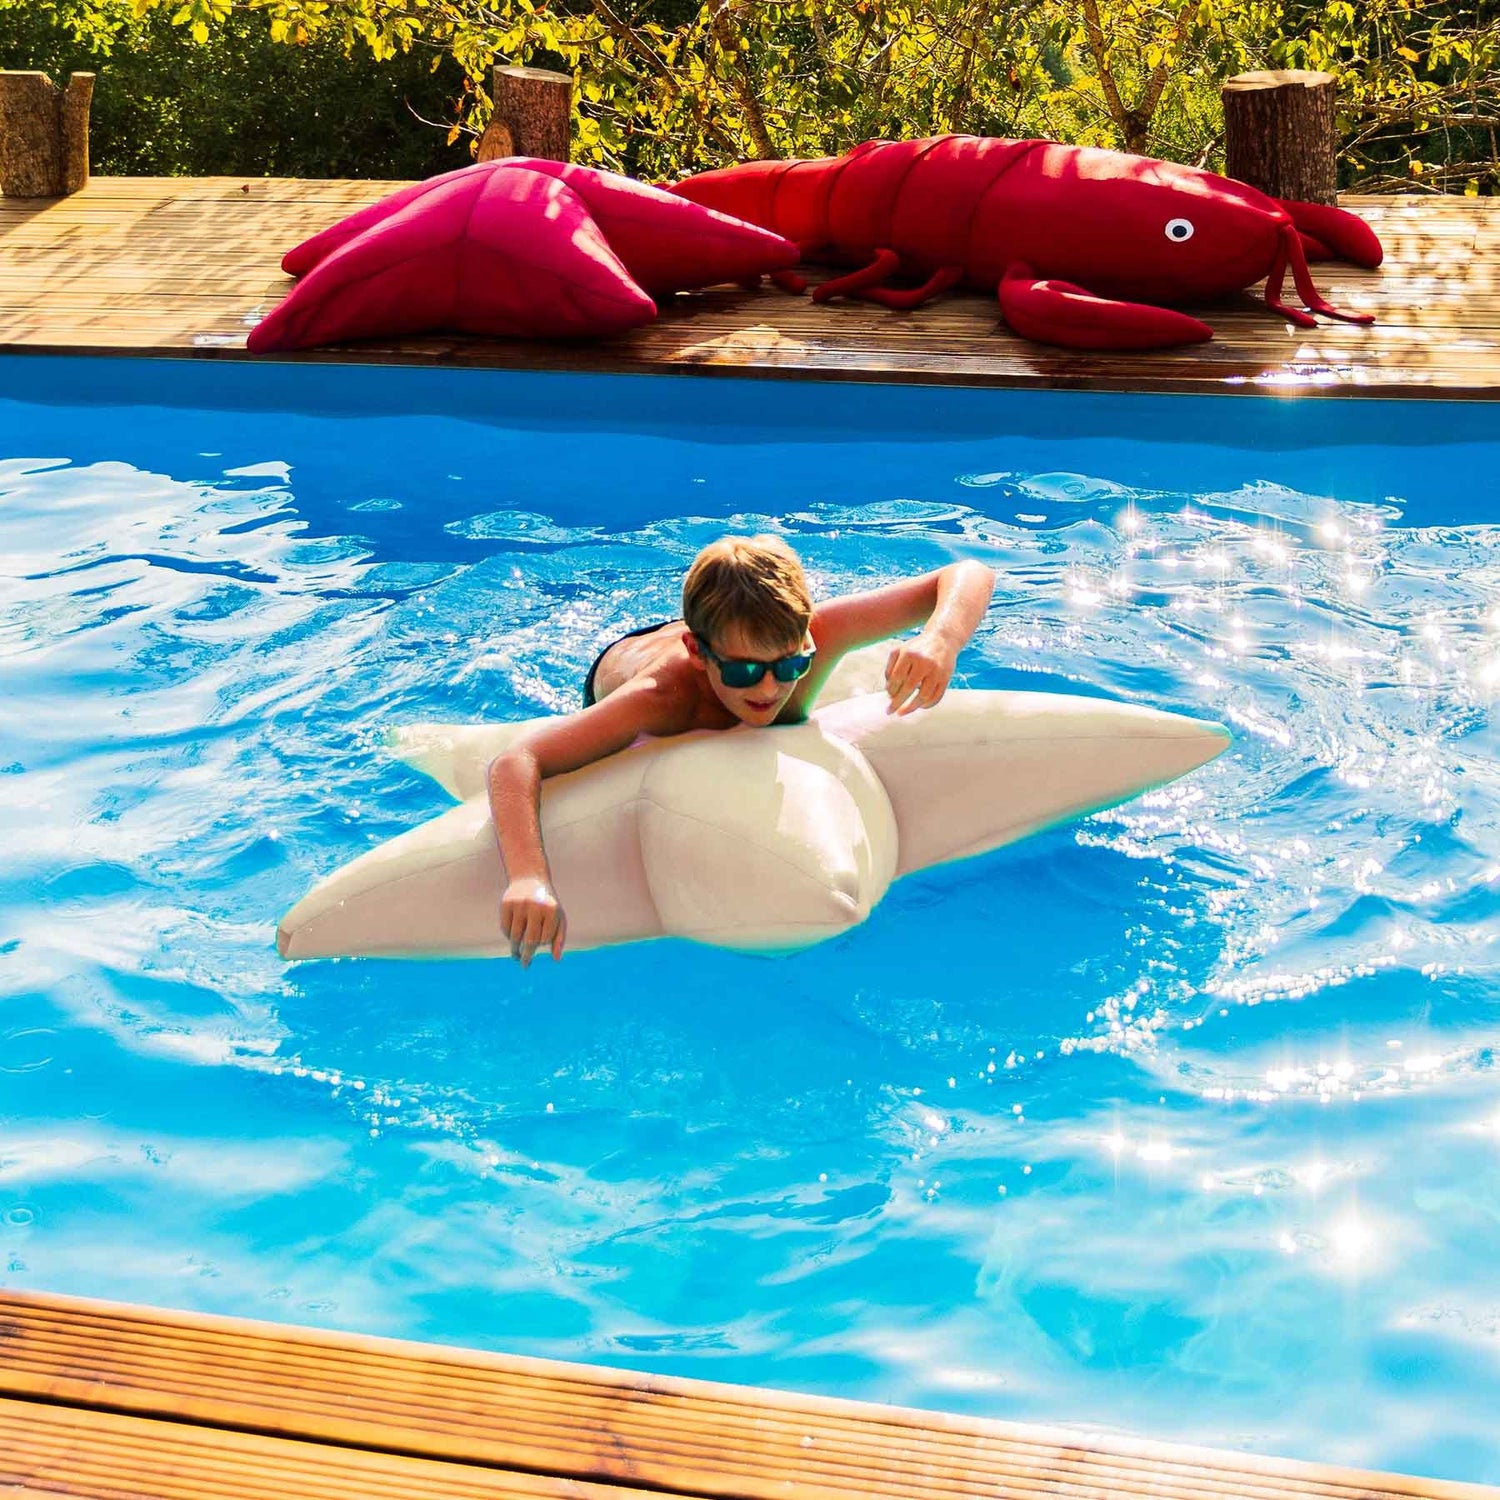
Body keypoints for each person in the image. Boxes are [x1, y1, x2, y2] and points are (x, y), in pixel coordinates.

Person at [489, 534, 996, 965]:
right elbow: (516, 762)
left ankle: (760, 561)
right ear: (700, 655)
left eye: (791, 666)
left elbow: (968, 573)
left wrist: (941, 640)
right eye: (744, 672)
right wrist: (529, 877)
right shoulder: (664, 699)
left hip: (720, 632)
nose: (772, 689)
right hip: (633, 659)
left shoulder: (817, 634)